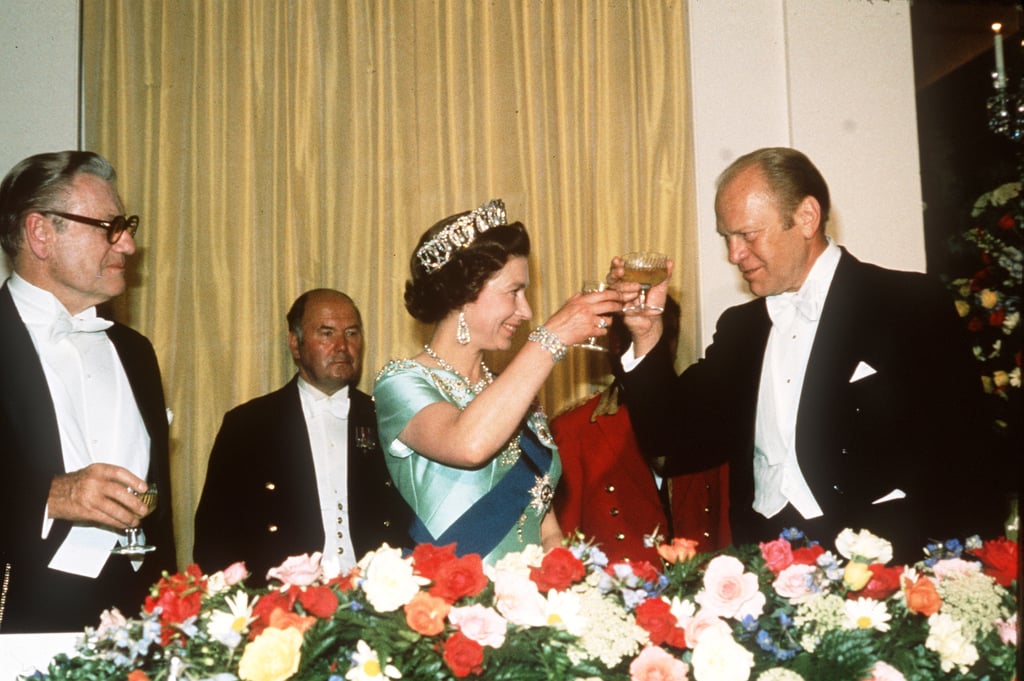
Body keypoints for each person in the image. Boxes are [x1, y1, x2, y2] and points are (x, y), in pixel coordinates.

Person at [611, 147, 1006, 563]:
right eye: (726, 238)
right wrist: (647, 333)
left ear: (806, 218)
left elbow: (967, 457)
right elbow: (670, 438)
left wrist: (978, 577)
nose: (734, 255)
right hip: (764, 572)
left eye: (746, 234)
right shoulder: (741, 329)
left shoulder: (908, 303)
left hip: (884, 572)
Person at [374, 199, 622, 564]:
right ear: (463, 294)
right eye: (513, 292)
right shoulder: (402, 383)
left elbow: (546, 525)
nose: (527, 312)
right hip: (453, 605)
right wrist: (551, 337)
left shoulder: (512, 390)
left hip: (528, 605)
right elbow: (469, 444)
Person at [0, 151, 176, 632]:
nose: (130, 246)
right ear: (41, 234)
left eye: (128, 226)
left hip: (140, 625)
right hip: (18, 621)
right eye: (110, 226)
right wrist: (48, 495)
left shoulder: (136, 351)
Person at [194, 289, 413, 582]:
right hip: (282, 606)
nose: (342, 346)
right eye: (326, 333)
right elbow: (215, 538)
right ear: (295, 344)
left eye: (351, 333)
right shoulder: (248, 425)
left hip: (375, 600)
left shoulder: (386, 419)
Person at [553, 296, 730, 563]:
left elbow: (724, 528)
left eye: (667, 335)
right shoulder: (573, 430)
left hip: (703, 591)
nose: (655, 343)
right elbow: (563, 545)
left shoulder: (707, 416)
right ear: (612, 341)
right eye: (635, 331)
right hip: (618, 595)